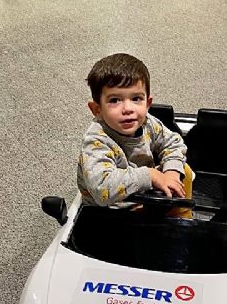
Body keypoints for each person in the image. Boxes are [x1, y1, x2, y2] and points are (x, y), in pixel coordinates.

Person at [77, 53, 192, 214]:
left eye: (136, 98)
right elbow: (102, 188)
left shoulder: (147, 122)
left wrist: (171, 172)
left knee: (183, 170)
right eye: (115, 100)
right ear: (97, 110)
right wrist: (151, 175)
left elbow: (174, 142)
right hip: (108, 212)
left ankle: (182, 216)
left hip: (146, 199)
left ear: (148, 104)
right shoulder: (96, 141)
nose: (128, 109)